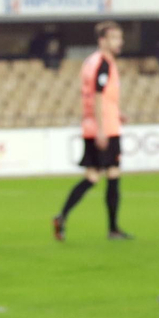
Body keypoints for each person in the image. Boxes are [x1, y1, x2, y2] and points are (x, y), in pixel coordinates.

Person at [53, 20, 131, 241]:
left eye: (120, 37)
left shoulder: (91, 62)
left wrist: (117, 113)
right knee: (113, 174)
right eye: (115, 38)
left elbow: (98, 97)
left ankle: (62, 216)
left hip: (96, 124)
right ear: (102, 40)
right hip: (104, 128)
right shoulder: (103, 63)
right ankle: (113, 229)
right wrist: (102, 129)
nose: (120, 42)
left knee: (93, 176)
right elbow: (97, 96)